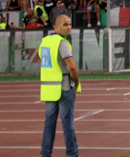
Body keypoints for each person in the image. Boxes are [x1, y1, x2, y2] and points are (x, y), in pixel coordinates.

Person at [39, 15, 81, 157]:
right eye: (65, 24)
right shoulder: (62, 43)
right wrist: (76, 82)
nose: (69, 27)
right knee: (67, 123)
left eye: (69, 24)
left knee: (49, 124)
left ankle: (45, 154)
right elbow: (72, 67)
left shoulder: (45, 42)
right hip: (64, 87)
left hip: (49, 89)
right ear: (56, 27)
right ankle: (72, 153)